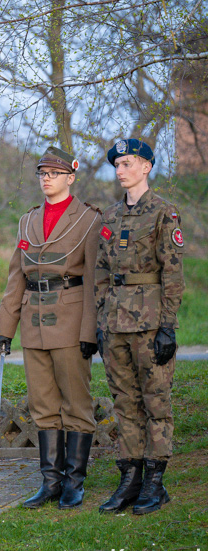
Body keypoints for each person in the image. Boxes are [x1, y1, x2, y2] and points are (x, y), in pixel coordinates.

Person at [0, 147, 102, 509]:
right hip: (32, 322)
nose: (46, 179)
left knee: (76, 403)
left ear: (70, 177)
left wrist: (90, 332)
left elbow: (92, 282)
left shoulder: (88, 219)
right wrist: (5, 327)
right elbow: (16, 277)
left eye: (54, 173)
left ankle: (75, 482)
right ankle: (50, 482)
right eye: (42, 173)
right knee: (43, 405)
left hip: (70, 320)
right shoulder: (27, 221)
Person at [95, 139, 183, 515]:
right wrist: (100, 321)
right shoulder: (110, 216)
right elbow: (101, 270)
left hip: (149, 322)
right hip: (115, 322)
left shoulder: (164, 212)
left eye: (128, 163)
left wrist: (168, 327)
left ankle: (154, 481)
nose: (121, 170)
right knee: (125, 403)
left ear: (146, 167)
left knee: (155, 401)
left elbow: (173, 273)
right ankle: (129, 478)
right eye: (117, 165)